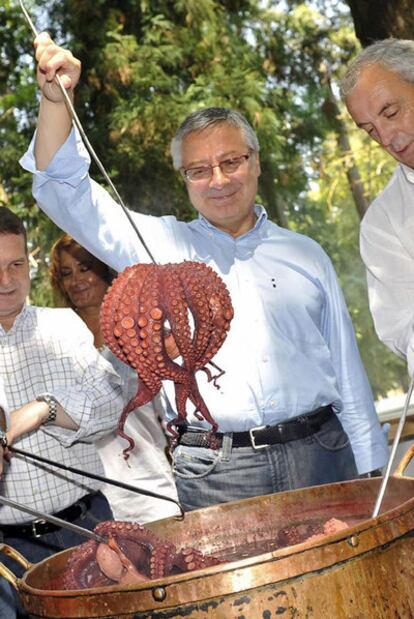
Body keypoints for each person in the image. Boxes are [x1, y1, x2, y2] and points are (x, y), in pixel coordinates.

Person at [20, 32, 388, 513]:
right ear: (184, 178)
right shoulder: (153, 246)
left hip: (322, 454)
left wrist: (372, 467)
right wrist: (55, 100)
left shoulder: (306, 254)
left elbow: (347, 373)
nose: (218, 180)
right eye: (199, 170)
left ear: (255, 162)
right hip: (218, 472)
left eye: (231, 161)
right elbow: (60, 189)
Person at [0, 206, 123, 618]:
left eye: (15, 264)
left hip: (84, 529)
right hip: (5, 554)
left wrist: (44, 409)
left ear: (29, 262)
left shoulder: (64, 326)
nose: (6, 280)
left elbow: (109, 405)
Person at [49, 234, 179, 521]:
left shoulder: (141, 333)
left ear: (105, 269)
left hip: (150, 490)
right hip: (89, 505)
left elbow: (170, 412)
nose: (76, 281)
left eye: (85, 268)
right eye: (66, 273)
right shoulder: (56, 341)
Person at [341, 39, 414, 376]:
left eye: (391, 112)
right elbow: (401, 328)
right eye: (369, 130)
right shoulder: (382, 224)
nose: (386, 138)